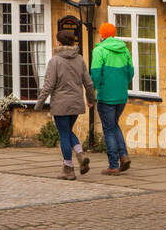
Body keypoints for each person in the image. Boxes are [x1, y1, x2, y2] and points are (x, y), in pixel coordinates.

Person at [36, 28, 97, 180]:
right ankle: (80, 155)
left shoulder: (55, 61)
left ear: (58, 42)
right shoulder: (80, 59)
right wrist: (91, 99)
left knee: (64, 134)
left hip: (61, 104)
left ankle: (68, 168)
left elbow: (48, 85)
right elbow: (88, 83)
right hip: (76, 102)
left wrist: (39, 103)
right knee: (68, 131)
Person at [91, 23, 133, 174]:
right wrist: (121, 83)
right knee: (114, 125)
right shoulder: (124, 50)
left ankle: (113, 165)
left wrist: (95, 88)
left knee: (108, 129)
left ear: (102, 35)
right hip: (121, 95)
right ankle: (124, 155)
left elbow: (95, 74)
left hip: (106, 96)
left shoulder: (99, 50)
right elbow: (131, 72)